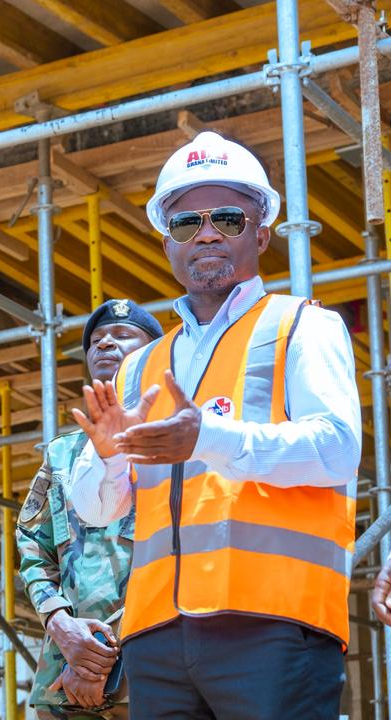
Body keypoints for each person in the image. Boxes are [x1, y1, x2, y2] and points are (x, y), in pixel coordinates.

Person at [68, 131, 361, 719]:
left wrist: (208, 438)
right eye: (186, 223)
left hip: (275, 622)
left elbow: (337, 450)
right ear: (168, 243)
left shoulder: (303, 327)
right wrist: (108, 457)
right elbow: (96, 511)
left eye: (227, 218)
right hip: (158, 634)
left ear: (261, 233)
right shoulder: (139, 367)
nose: (206, 234)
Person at [18, 299, 162, 720]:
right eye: (96, 340)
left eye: (123, 336)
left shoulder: (175, 442)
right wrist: (60, 625)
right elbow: (33, 548)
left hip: (147, 667)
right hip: (64, 677)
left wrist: (96, 657)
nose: (105, 344)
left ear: (155, 353)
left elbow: (182, 558)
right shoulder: (62, 454)